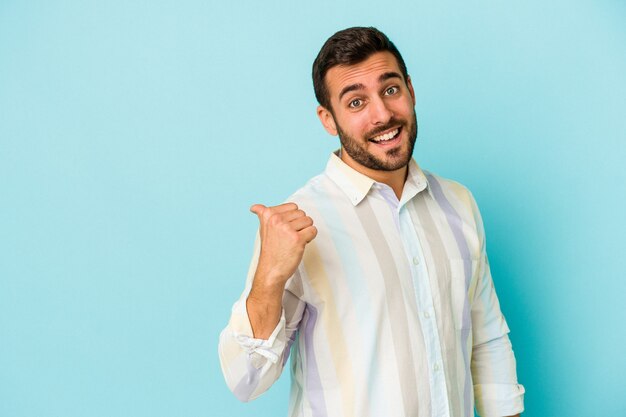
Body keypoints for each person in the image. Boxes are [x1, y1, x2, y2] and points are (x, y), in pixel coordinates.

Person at [218, 27, 525, 417]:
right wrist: (269, 279)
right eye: (356, 102)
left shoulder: (458, 202)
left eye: (391, 90)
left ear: (411, 91)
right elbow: (246, 381)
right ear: (328, 119)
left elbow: (486, 339)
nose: (382, 114)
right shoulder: (297, 223)